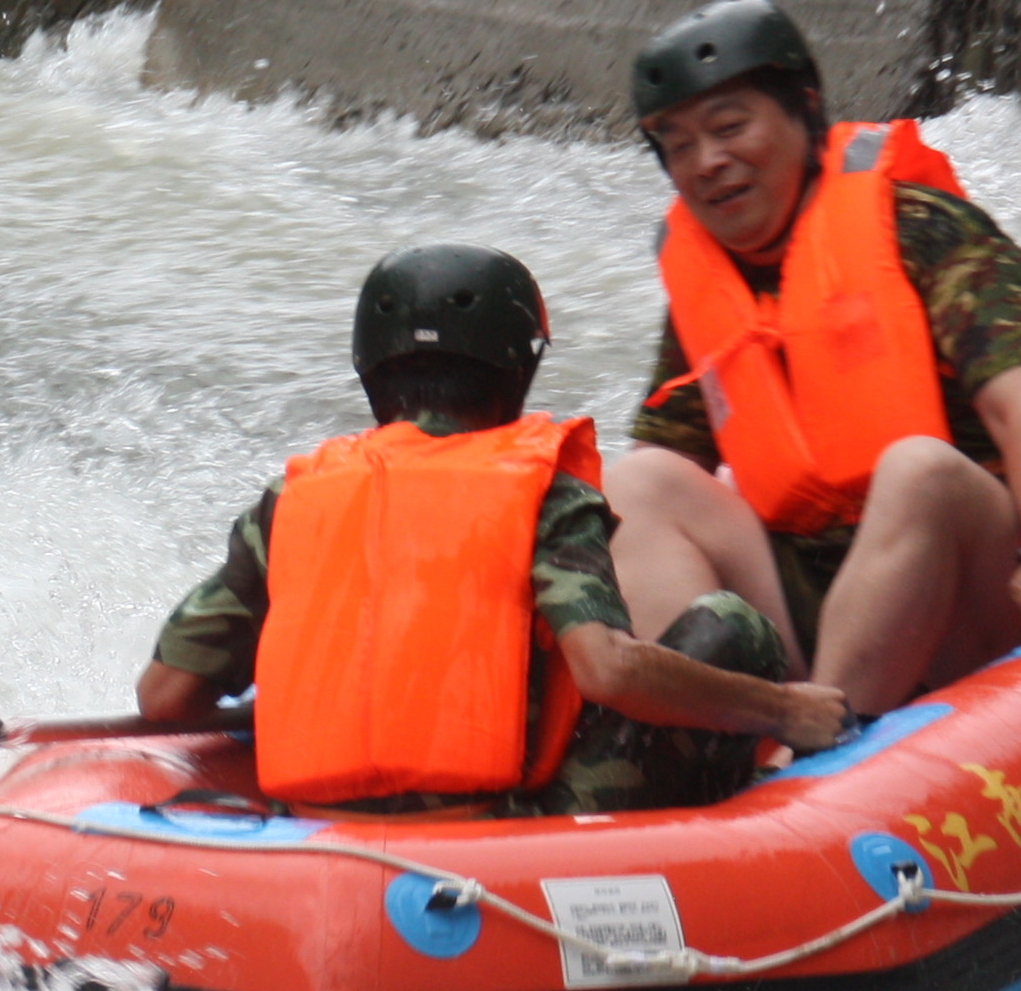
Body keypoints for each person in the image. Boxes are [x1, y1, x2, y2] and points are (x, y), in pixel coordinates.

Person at [135, 244, 846, 812]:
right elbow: (606, 668)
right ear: (517, 370)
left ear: (368, 371)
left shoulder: (288, 503)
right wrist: (781, 709)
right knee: (731, 626)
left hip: (321, 827)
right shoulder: (545, 493)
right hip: (507, 829)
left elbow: (164, 695)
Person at [605, 0, 1021, 719]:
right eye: (677, 146)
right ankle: (702, 740)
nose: (707, 163)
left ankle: (813, 767)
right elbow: (666, 464)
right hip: (812, 605)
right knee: (637, 484)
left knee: (917, 470)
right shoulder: (706, 282)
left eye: (730, 128)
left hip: (977, 596)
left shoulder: (920, 227)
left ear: (804, 108)